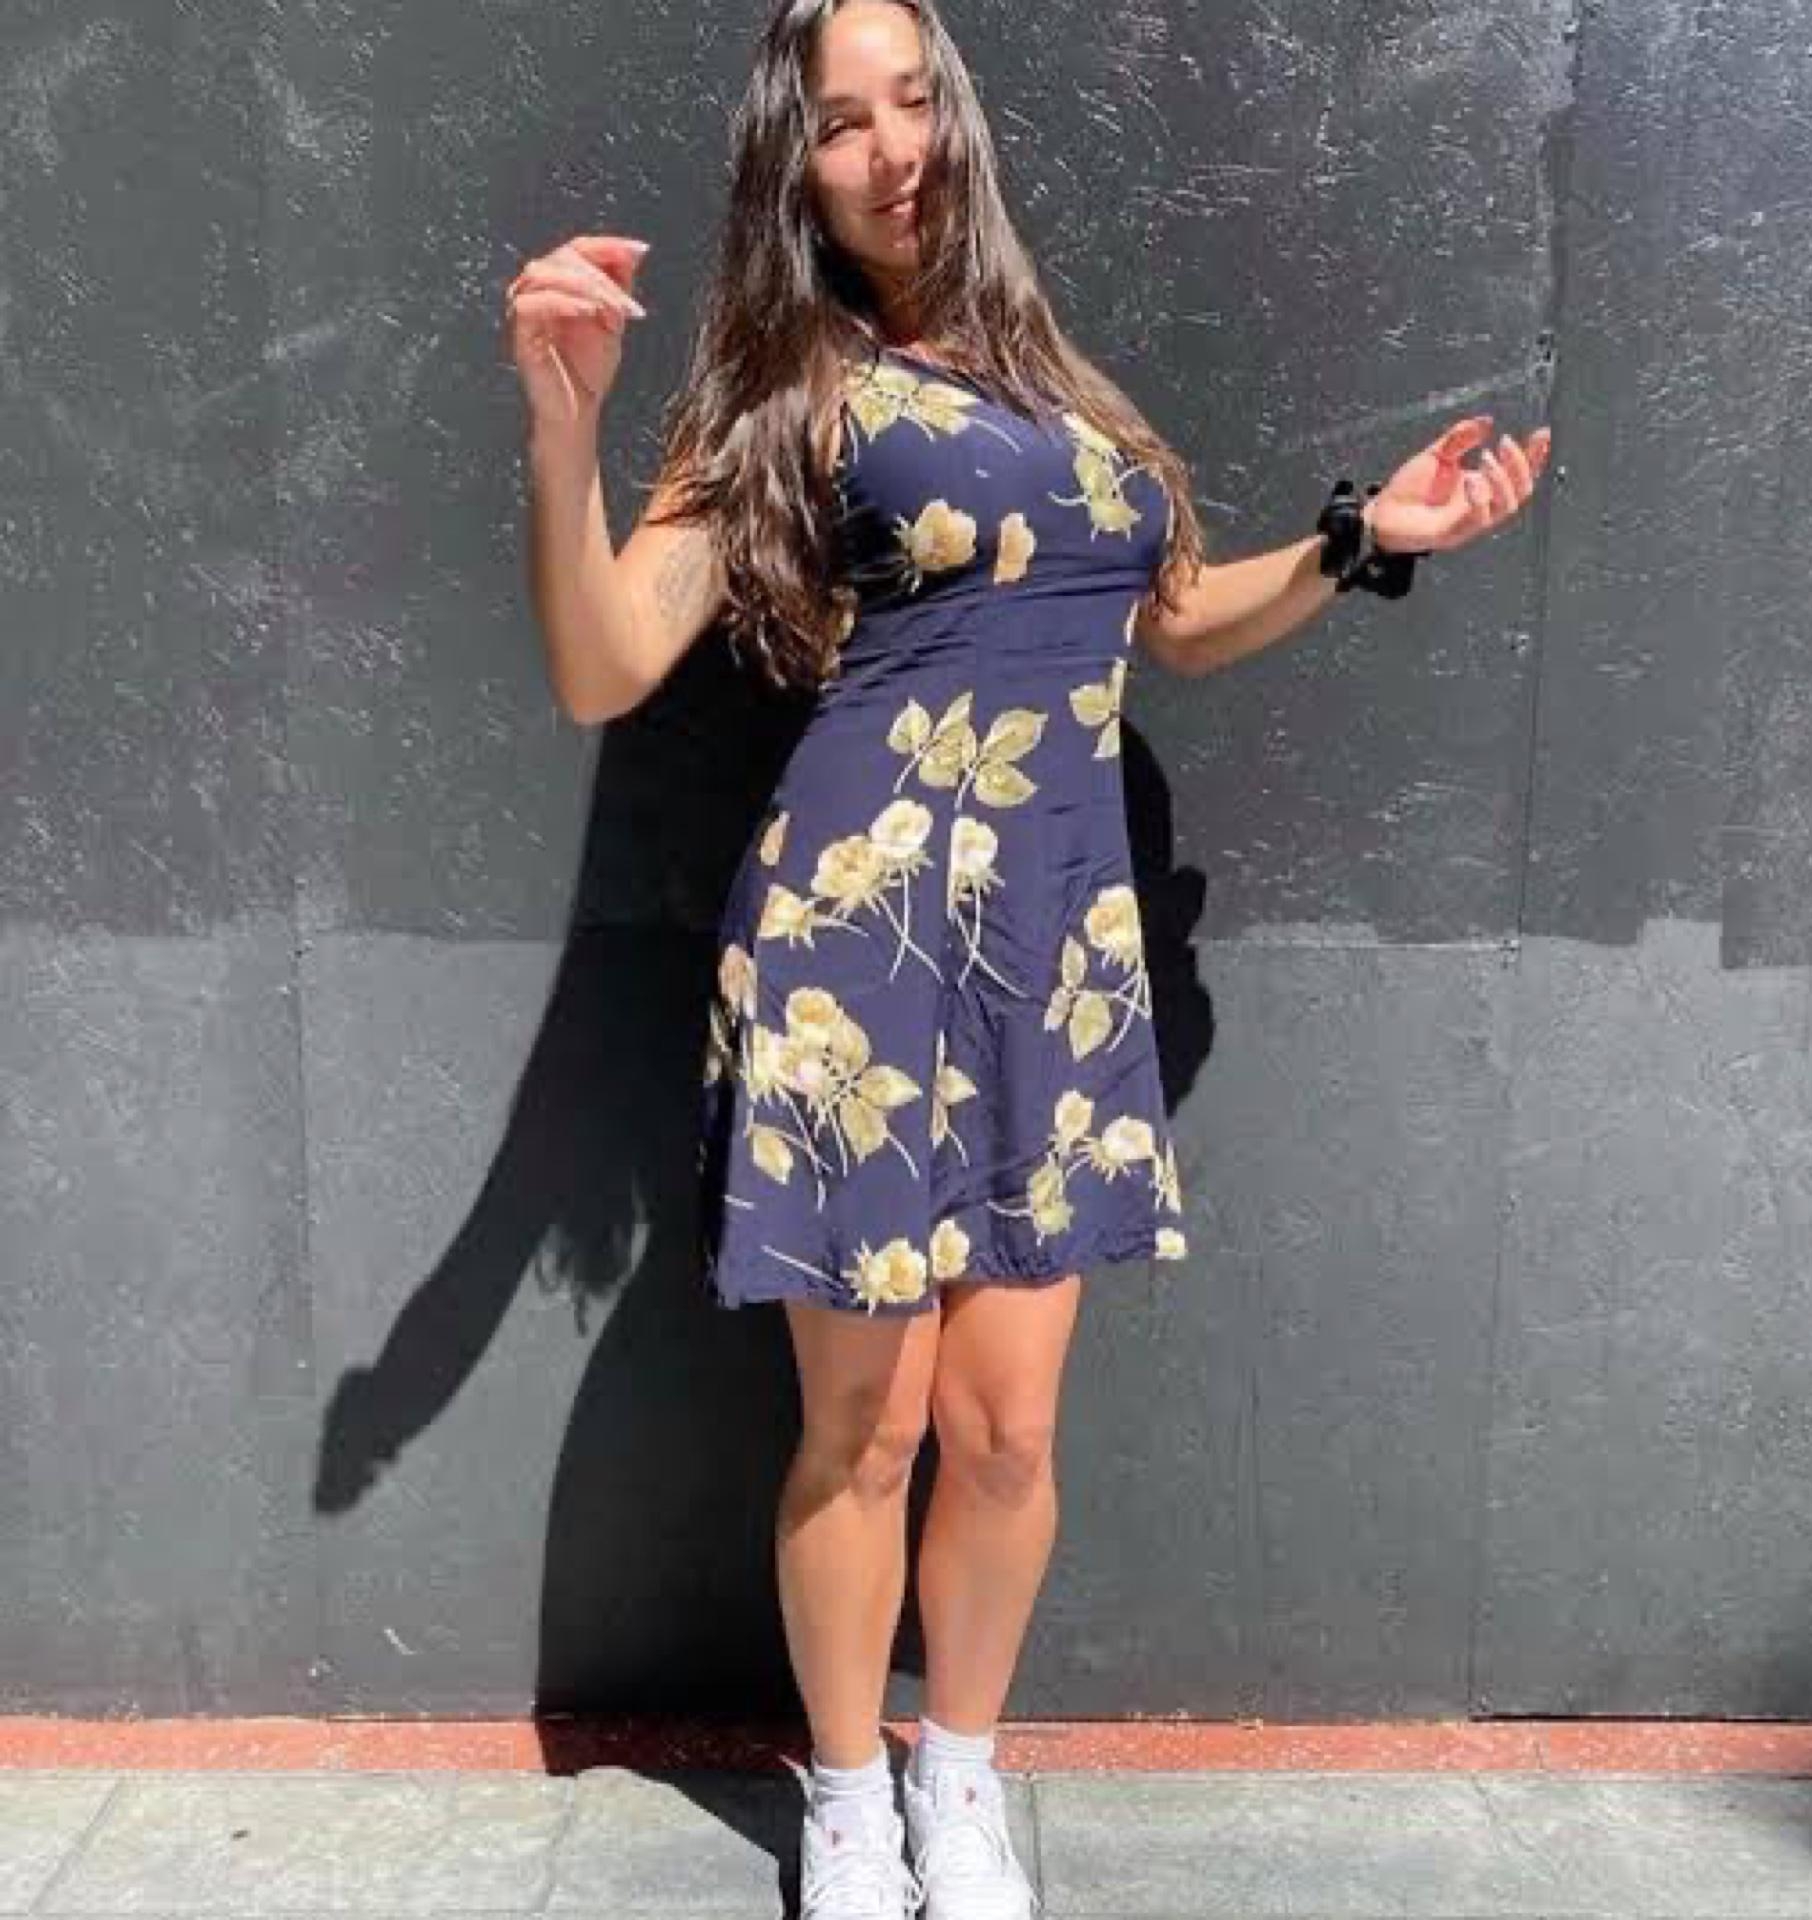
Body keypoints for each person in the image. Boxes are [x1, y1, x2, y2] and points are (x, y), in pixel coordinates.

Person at [505, 2, 1549, 1913]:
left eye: (914, 100)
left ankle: (959, 1780)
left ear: (958, 118)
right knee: (868, 1427)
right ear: (795, 165)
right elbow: (604, 664)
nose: (893, 146)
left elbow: (1174, 620)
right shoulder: (780, 386)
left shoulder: (1063, 383)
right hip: (856, 949)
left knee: (1002, 1432)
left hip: (1053, 957)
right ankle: (847, 1800)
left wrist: (1357, 538)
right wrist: (564, 421)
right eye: (843, 121)